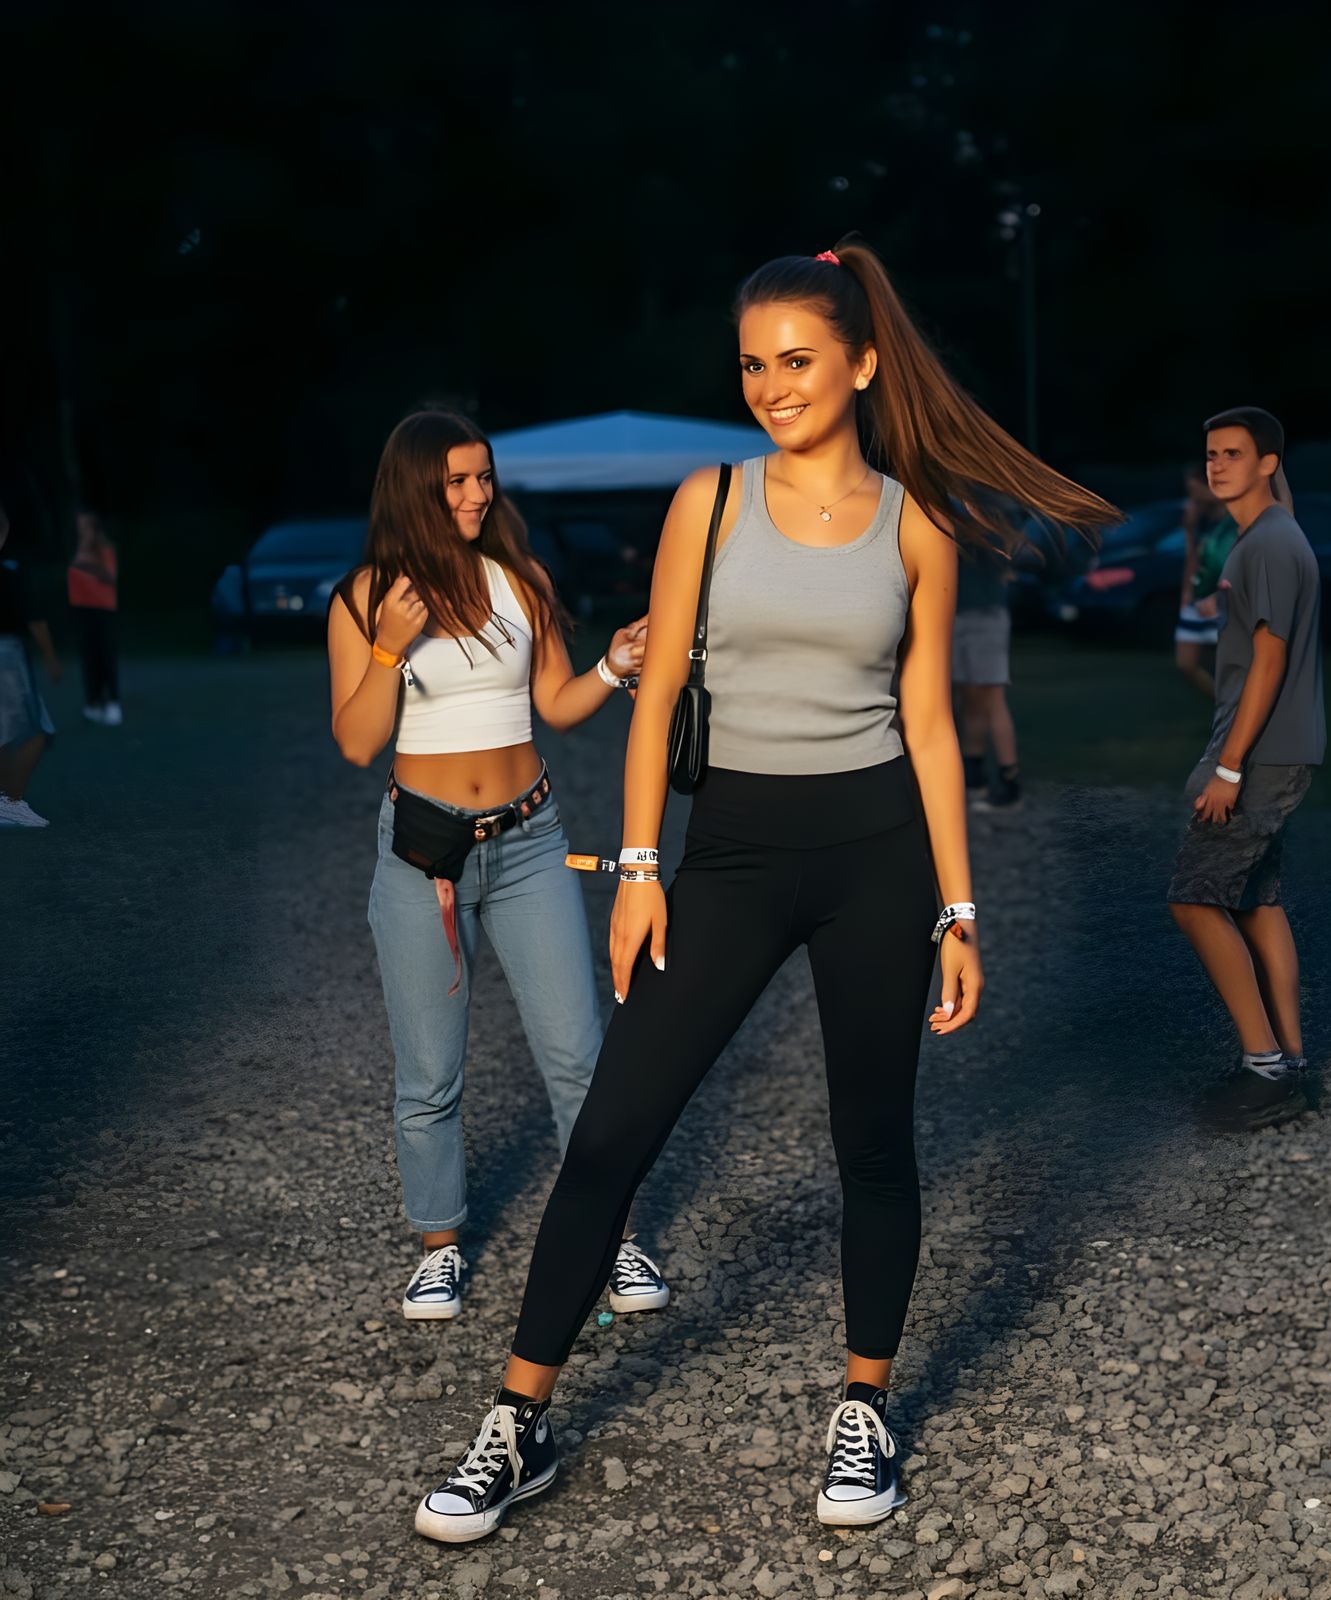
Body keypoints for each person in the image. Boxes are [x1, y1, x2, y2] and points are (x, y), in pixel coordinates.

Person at [413, 241, 1118, 1544]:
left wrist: (960, 910)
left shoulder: (915, 521)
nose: (772, 386)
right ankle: (520, 1420)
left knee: (873, 1141)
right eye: (752, 364)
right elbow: (660, 688)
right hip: (727, 854)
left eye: (797, 361)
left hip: (877, 859)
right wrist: (636, 871)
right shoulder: (710, 501)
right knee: (614, 1133)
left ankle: (864, 1407)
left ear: (858, 362)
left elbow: (924, 724)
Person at [327, 410, 670, 1327]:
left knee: (577, 1053)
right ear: (414, 488)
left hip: (528, 843)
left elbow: (556, 704)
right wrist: (391, 646)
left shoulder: (522, 580)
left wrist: (613, 663)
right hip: (420, 857)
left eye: (484, 478)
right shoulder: (364, 598)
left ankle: (615, 1236)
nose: (478, 494)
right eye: (457, 481)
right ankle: (441, 1246)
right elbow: (358, 742)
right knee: (429, 1073)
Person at [1167, 407, 1324, 1082]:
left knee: (1194, 899)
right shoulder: (1270, 532)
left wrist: (1229, 767)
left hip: (1258, 755)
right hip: (1278, 749)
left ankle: (1263, 1063)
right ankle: (1288, 1057)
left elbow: (1269, 659)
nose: (1217, 464)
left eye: (1234, 453)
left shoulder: (1266, 547)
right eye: (1211, 454)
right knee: (1257, 903)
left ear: (1267, 464)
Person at [0, 499, 63, 828]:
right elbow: (34, 617)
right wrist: (50, 656)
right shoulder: (11, 568)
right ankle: (10, 801)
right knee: (36, 729)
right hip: (6, 650)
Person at [954, 541, 1023, 812]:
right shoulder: (986, 510)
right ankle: (974, 778)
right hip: (965, 612)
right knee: (970, 699)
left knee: (991, 698)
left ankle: (1009, 783)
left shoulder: (982, 511)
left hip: (981, 614)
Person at [1174, 466, 1237, 697]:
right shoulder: (1200, 518)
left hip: (1227, 598)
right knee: (1185, 664)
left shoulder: (1235, 518)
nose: (1191, 497)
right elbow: (1193, 558)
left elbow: (1241, 561)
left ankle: (1242, 713)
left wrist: (1221, 595)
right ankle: (1224, 704)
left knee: (1235, 664)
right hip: (1199, 597)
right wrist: (1186, 594)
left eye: (1194, 490)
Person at [68, 510, 121, 726]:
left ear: (94, 528)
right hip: (83, 610)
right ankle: (93, 702)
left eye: (85, 526)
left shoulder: (104, 549)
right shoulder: (78, 549)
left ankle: (113, 703)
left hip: (103, 610)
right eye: (79, 526)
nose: (81, 530)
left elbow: (110, 576)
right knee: (89, 659)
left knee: (106, 655)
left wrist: (83, 564)